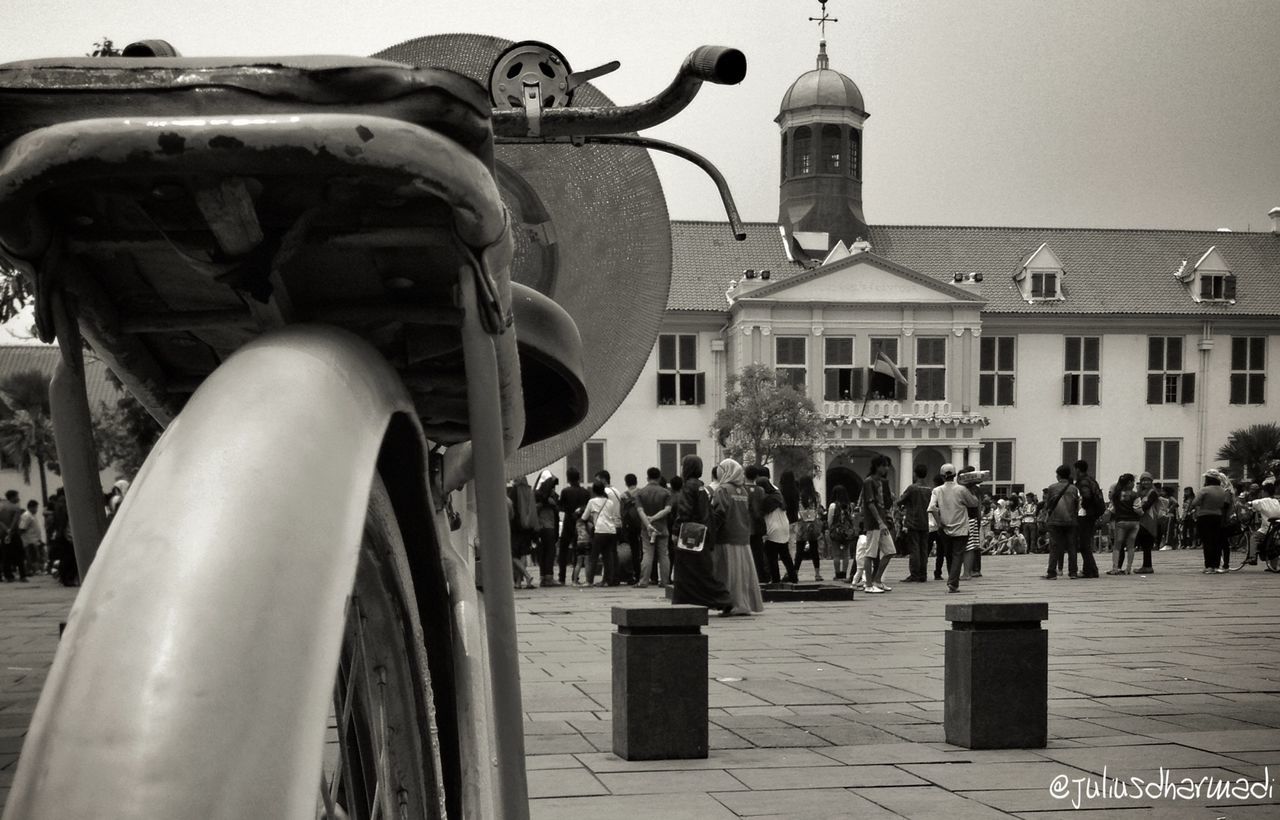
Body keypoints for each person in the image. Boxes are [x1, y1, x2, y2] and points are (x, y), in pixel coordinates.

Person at [670, 455, 734, 614]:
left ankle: (719, 599)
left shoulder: (688, 487)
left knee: (687, 572)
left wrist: (676, 531)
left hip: (689, 535)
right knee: (701, 570)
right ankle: (720, 599)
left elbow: (684, 511)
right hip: (702, 534)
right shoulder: (700, 487)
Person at [710, 459, 765, 615]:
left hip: (726, 537)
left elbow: (719, 513)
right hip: (743, 537)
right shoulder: (743, 491)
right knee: (742, 574)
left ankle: (731, 604)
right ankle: (743, 603)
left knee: (727, 574)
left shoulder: (723, 490)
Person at [928, 464, 978, 593]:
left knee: (949, 555)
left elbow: (932, 508)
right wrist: (971, 489)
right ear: (955, 475)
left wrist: (939, 523)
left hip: (945, 528)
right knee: (957, 555)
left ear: (941, 476)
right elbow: (974, 503)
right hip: (961, 527)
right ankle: (953, 582)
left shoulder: (937, 490)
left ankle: (952, 580)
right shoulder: (961, 489)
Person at [859, 455, 897, 593]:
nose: (886, 468)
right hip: (873, 523)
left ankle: (877, 579)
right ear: (877, 466)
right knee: (870, 553)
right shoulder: (869, 482)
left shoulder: (883, 482)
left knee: (890, 551)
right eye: (884, 465)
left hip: (883, 521)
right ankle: (868, 584)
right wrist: (880, 522)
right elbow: (870, 503)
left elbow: (886, 503)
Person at [1041, 465, 1081, 579]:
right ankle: (1073, 572)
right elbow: (1076, 505)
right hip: (1071, 521)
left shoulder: (1052, 488)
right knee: (1072, 547)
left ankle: (1052, 572)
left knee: (1054, 546)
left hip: (1055, 521)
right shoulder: (1073, 488)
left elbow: (1048, 505)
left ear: (1058, 475)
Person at [635, 467, 673, 588]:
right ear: (659, 477)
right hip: (662, 528)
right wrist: (655, 518)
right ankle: (665, 581)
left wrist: (648, 524)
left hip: (647, 530)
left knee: (647, 554)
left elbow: (640, 511)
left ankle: (644, 581)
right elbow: (667, 510)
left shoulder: (640, 493)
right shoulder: (666, 492)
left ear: (647, 477)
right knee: (664, 555)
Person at [758, 473, 798, 584]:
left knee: (772, 556)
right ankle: (793, 577)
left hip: (773, 527)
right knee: (785, 554)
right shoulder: (778, 495)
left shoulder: (767, 499)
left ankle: (775, 579)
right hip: (783, 525)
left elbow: (761, 512)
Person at [897, 463, 933, 582]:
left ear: (915, 474)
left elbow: (900, 500)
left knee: (914, 549)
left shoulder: (912, 488)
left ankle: (915, 574)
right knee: (923, 549)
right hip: (925, 521)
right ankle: (923, 573)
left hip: (913, 521)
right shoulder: (929, 489)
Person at [1191, 472, 1233, 573]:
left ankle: (1208, 565)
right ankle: (1216, 565)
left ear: (1208, 480)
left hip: (1204, 516)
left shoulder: (1205, 490)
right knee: (1216, 541)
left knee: (1207, 541)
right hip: (1218, 516)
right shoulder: (1223, 491)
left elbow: (1195, 502)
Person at [557, 467, 591, 585]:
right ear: (579, 477)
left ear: (568, 478)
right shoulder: (585, 492)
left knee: (563, 550)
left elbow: (561, 507)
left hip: (568, 522)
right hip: (580, 523)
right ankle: (574, 577)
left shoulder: (565, 491)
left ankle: (561, 577)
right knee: (578, 550)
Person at [582, 480, 620, 586]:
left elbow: (584, 517)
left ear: (594, 491)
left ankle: (589, 581)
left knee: (594, 557)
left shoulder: (592, 502)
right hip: (611, 531)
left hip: (599, 531)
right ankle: (607, 580)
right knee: (608, 557)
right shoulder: (610, 502)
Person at [1071, 460, 1103, 578]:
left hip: (1086, 515)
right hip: (1093, 514)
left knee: (1084, 544)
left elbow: (1087, 496)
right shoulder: (1092, 480)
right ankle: (1091, 569)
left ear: (1078, 469)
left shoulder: (1083, 482)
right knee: (1086, 543)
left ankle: (1090, 570)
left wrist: (1082, 507)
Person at [793, 475, 825, 581]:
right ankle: (817, 574)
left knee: (799, 550)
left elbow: (798, 510)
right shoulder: (816, 496)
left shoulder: (799, 496)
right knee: (814, 549)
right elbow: (818, 509)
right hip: (813, 524)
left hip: (802, 524)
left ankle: (795, 573)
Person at [533, 470, 561, 587]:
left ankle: (544, 577)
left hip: (542, 526)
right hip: (547, 526)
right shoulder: (547, 498)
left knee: (543, 552)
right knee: (549, 551)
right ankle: (548, 577)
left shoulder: (537, 495)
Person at [1108, 474, 1140, 575]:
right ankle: (1128, 568)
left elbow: (1112, 509)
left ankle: (1115, 568)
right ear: (1129, 482)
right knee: (1131, 546)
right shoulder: (1135, 495)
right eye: (1133, 482)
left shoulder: (1116, 494)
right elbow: (1137, 509)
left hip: (1121, 521)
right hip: (1134, 522)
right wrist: (1142, 514)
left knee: (1117, 546)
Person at [744, 465, 770, 583]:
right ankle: (760, 576)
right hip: (758, 525)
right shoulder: (761, 490)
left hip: (745, 526)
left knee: (746, 554)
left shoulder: (742, 489)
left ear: (745, 475)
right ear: (756, 476)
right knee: (758, 553)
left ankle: (747, 576)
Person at [826, 485, 857, 581]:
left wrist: (831, 528)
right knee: (846, 554)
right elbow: (852, 518)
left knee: (836, 554)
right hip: (847, 532)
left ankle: (838, 574)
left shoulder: (833, 505)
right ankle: (844, 574)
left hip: (836, 532)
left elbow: (829, 520)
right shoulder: (850, 505)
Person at [1132, 472, 1161, 574]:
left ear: (1151, 481)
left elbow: (1148, 505)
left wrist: (1137, 510)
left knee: (1147, 543)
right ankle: (1146, 565)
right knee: (1145, 544)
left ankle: (1147, 566)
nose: (1145, 482)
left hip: (1149, 520)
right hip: (1142, 519)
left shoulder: (1152, 492)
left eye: (1148, 480)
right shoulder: (1141, 492)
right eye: (1143, 480)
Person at [1249, 481, 1280, 572]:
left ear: (1265, 492)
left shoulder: (1263, 501)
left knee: (1254, 537)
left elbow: (1252, 503)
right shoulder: (1276, 501)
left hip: (1267, 529)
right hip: (1277, 529)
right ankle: (1273, 566)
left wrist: (1249, 504)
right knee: (1273, 545)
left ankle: (1252, 557)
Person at [0, 490, 26, 583]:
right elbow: (15, 521)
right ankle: (22, 575)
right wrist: (10, 530)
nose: (18, 498)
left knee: (6, 555)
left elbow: (0, 521)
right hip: (14, 534)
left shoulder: (2, 507)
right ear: (12, 497)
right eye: (16, 496)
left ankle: (8, 576)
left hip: (3, 534)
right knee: (19, 554)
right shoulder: (16, 507)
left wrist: (6, 530)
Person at [19, 499, 45, 576]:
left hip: (35, 539)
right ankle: (35, 570)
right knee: (32, 555)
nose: (36, 509)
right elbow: (22, 528)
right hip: (29, 540)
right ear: (31, 507)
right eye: (36, 507)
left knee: (35, 555)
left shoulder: (32, 515)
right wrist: (25, 539)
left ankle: (31, 570)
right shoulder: (27, 516)